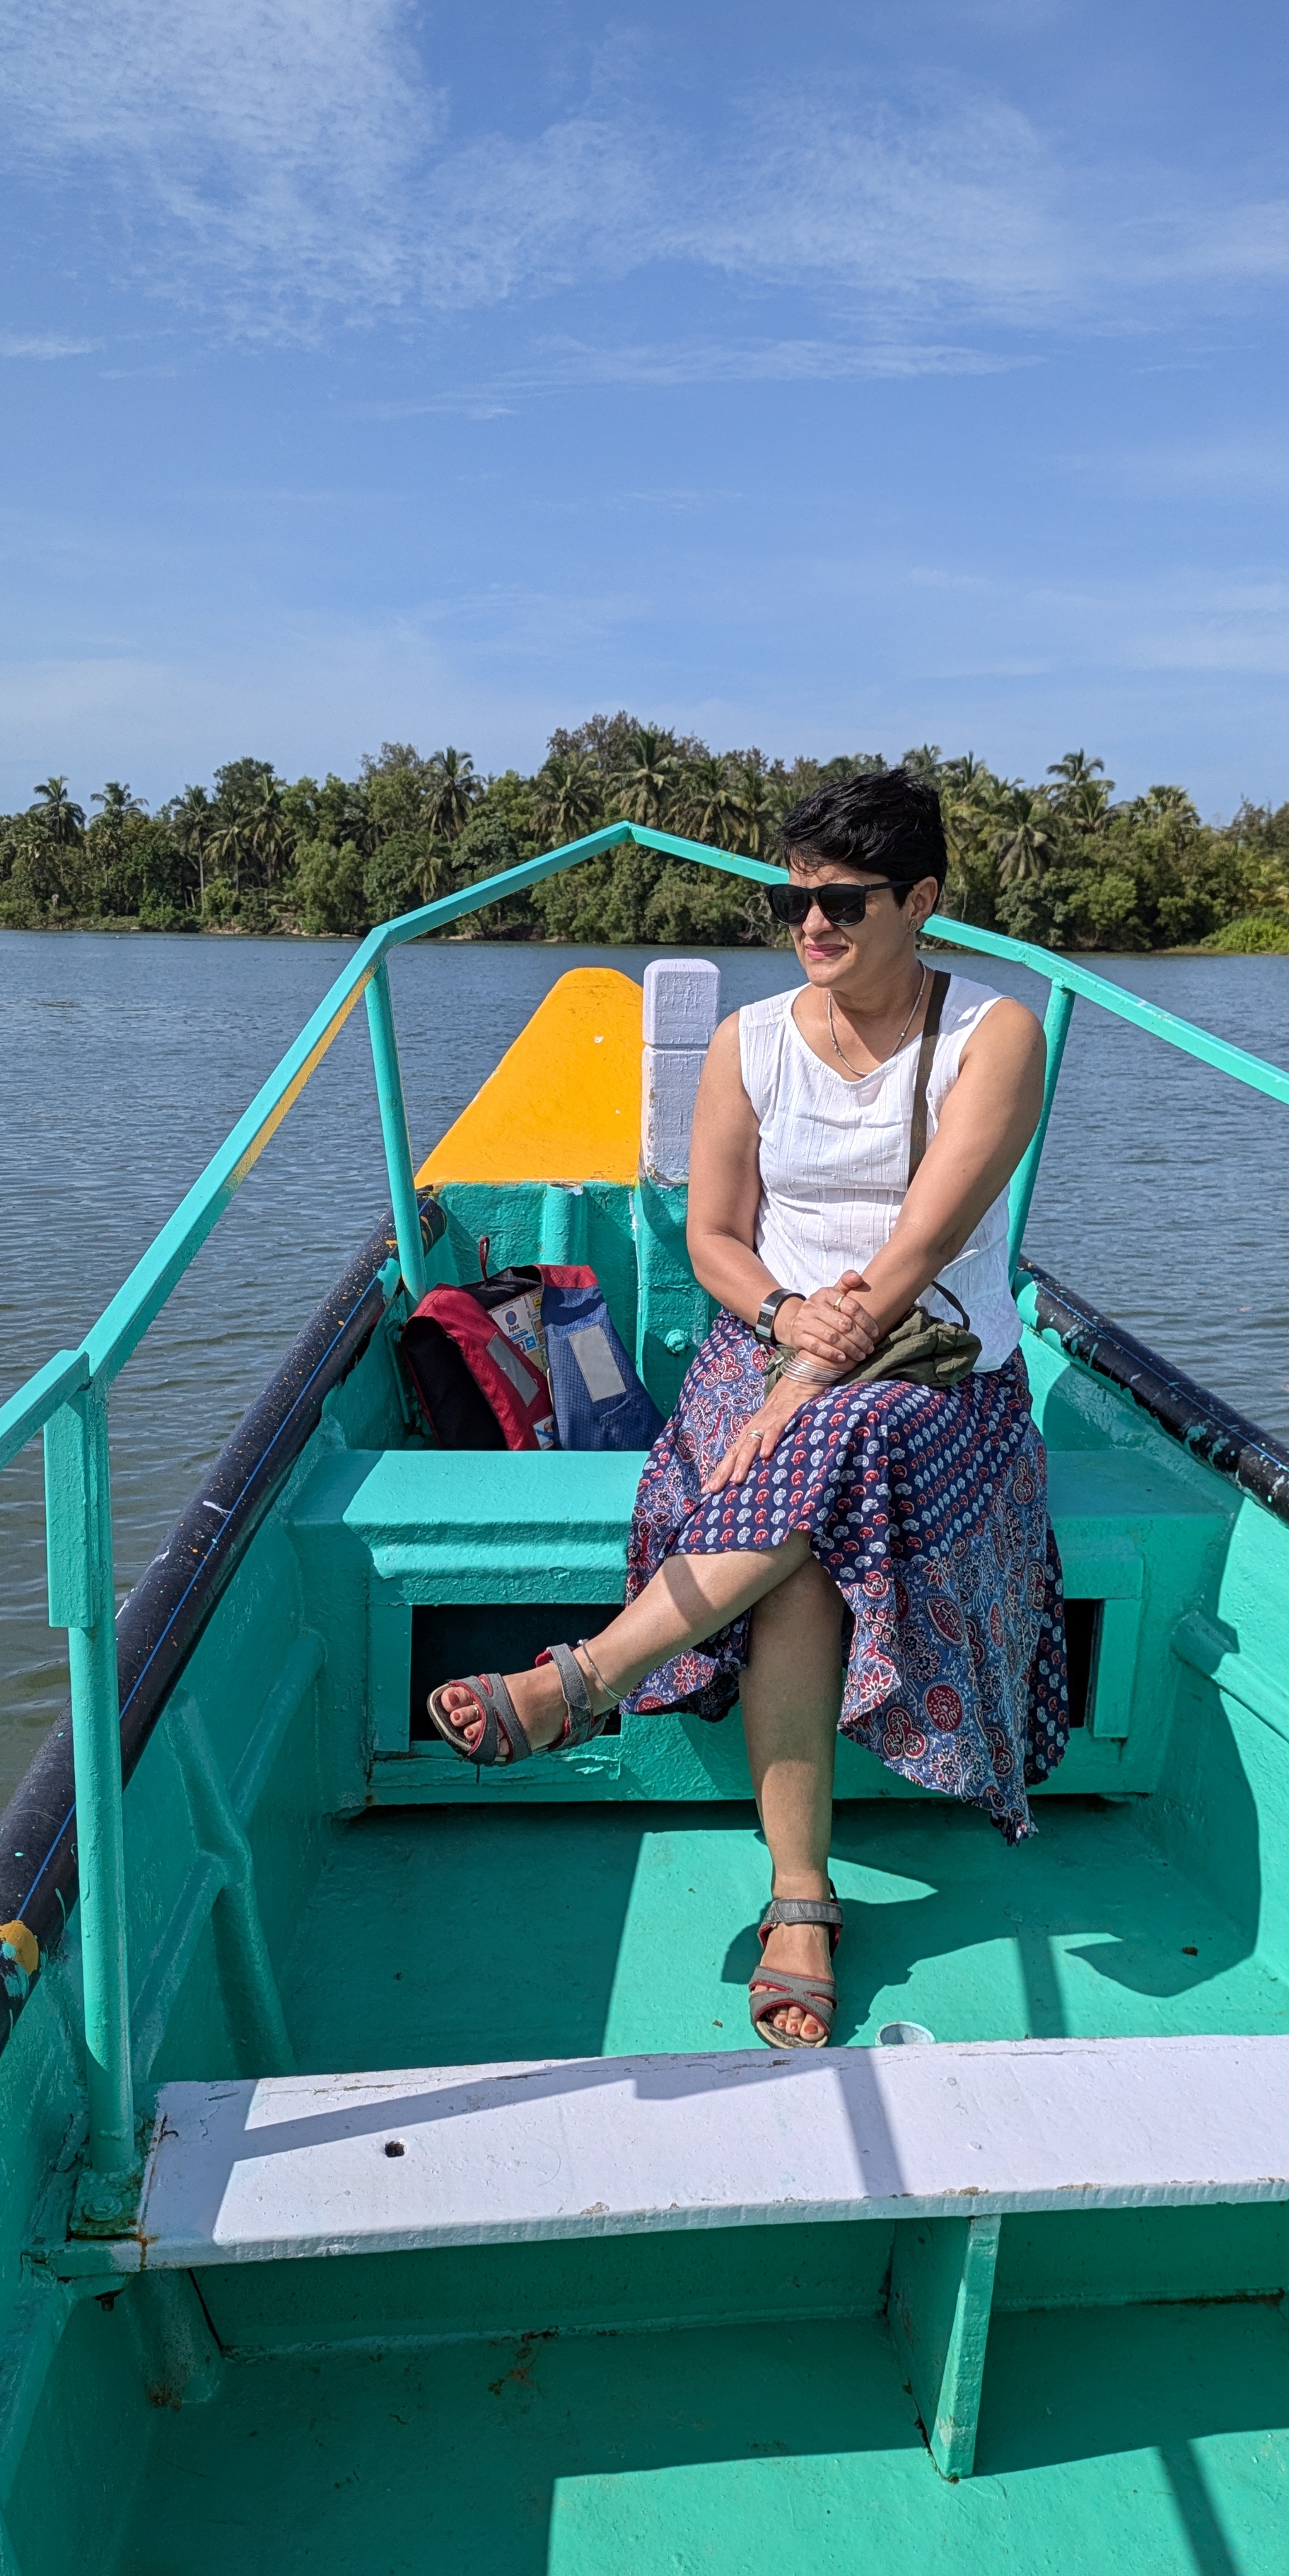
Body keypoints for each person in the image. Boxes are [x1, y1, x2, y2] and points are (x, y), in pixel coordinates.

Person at [427, 768, 1069, 2049]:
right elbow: (713, 1235)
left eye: (841, 901)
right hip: (769, 1338)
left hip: (934, 1366)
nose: (811, 925)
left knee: (826, 1449)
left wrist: (817, 1370)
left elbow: (921, 1245)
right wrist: (781, 1327)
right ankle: (800, 1900)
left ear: (922, 901)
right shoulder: (753, 1040)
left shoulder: (997, 1033)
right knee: (800, 1552)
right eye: (793, 900)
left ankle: (585, 1682)